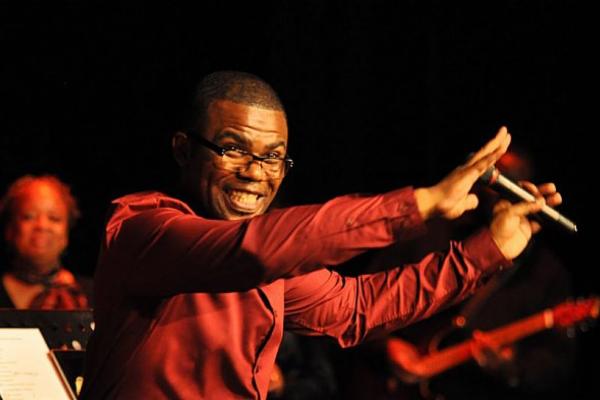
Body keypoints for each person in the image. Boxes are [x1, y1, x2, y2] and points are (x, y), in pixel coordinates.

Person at [80, 71, 562, 399]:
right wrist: (421, 203)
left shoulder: (273, 262)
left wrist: (490, 249)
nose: (256, 173)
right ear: (184, 150)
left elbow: (358, 308)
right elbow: (254, 251)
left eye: (273, 157)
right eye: (233, 149)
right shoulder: (142, 228)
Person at [0, 175, 91, 309]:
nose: (42, 226)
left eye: (54, 218)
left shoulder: (93, 295)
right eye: (29, 216)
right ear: (10, 229)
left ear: (67, 231)